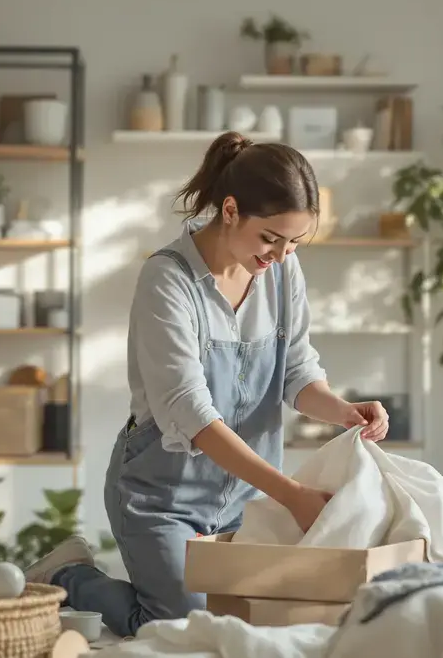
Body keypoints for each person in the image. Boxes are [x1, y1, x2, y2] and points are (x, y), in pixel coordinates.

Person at [24, 131, 390, 638]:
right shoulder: (167, 280)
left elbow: (296, 371)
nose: (280, 256)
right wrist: (292, 495)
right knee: (180, 623)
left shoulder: (283, 274)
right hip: (161, 499)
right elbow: (191, 413)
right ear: (232, 209)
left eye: (293, 242)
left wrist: (342, 410)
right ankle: (67, 574)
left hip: (246, 501)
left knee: (247, 622)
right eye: (270, 239)